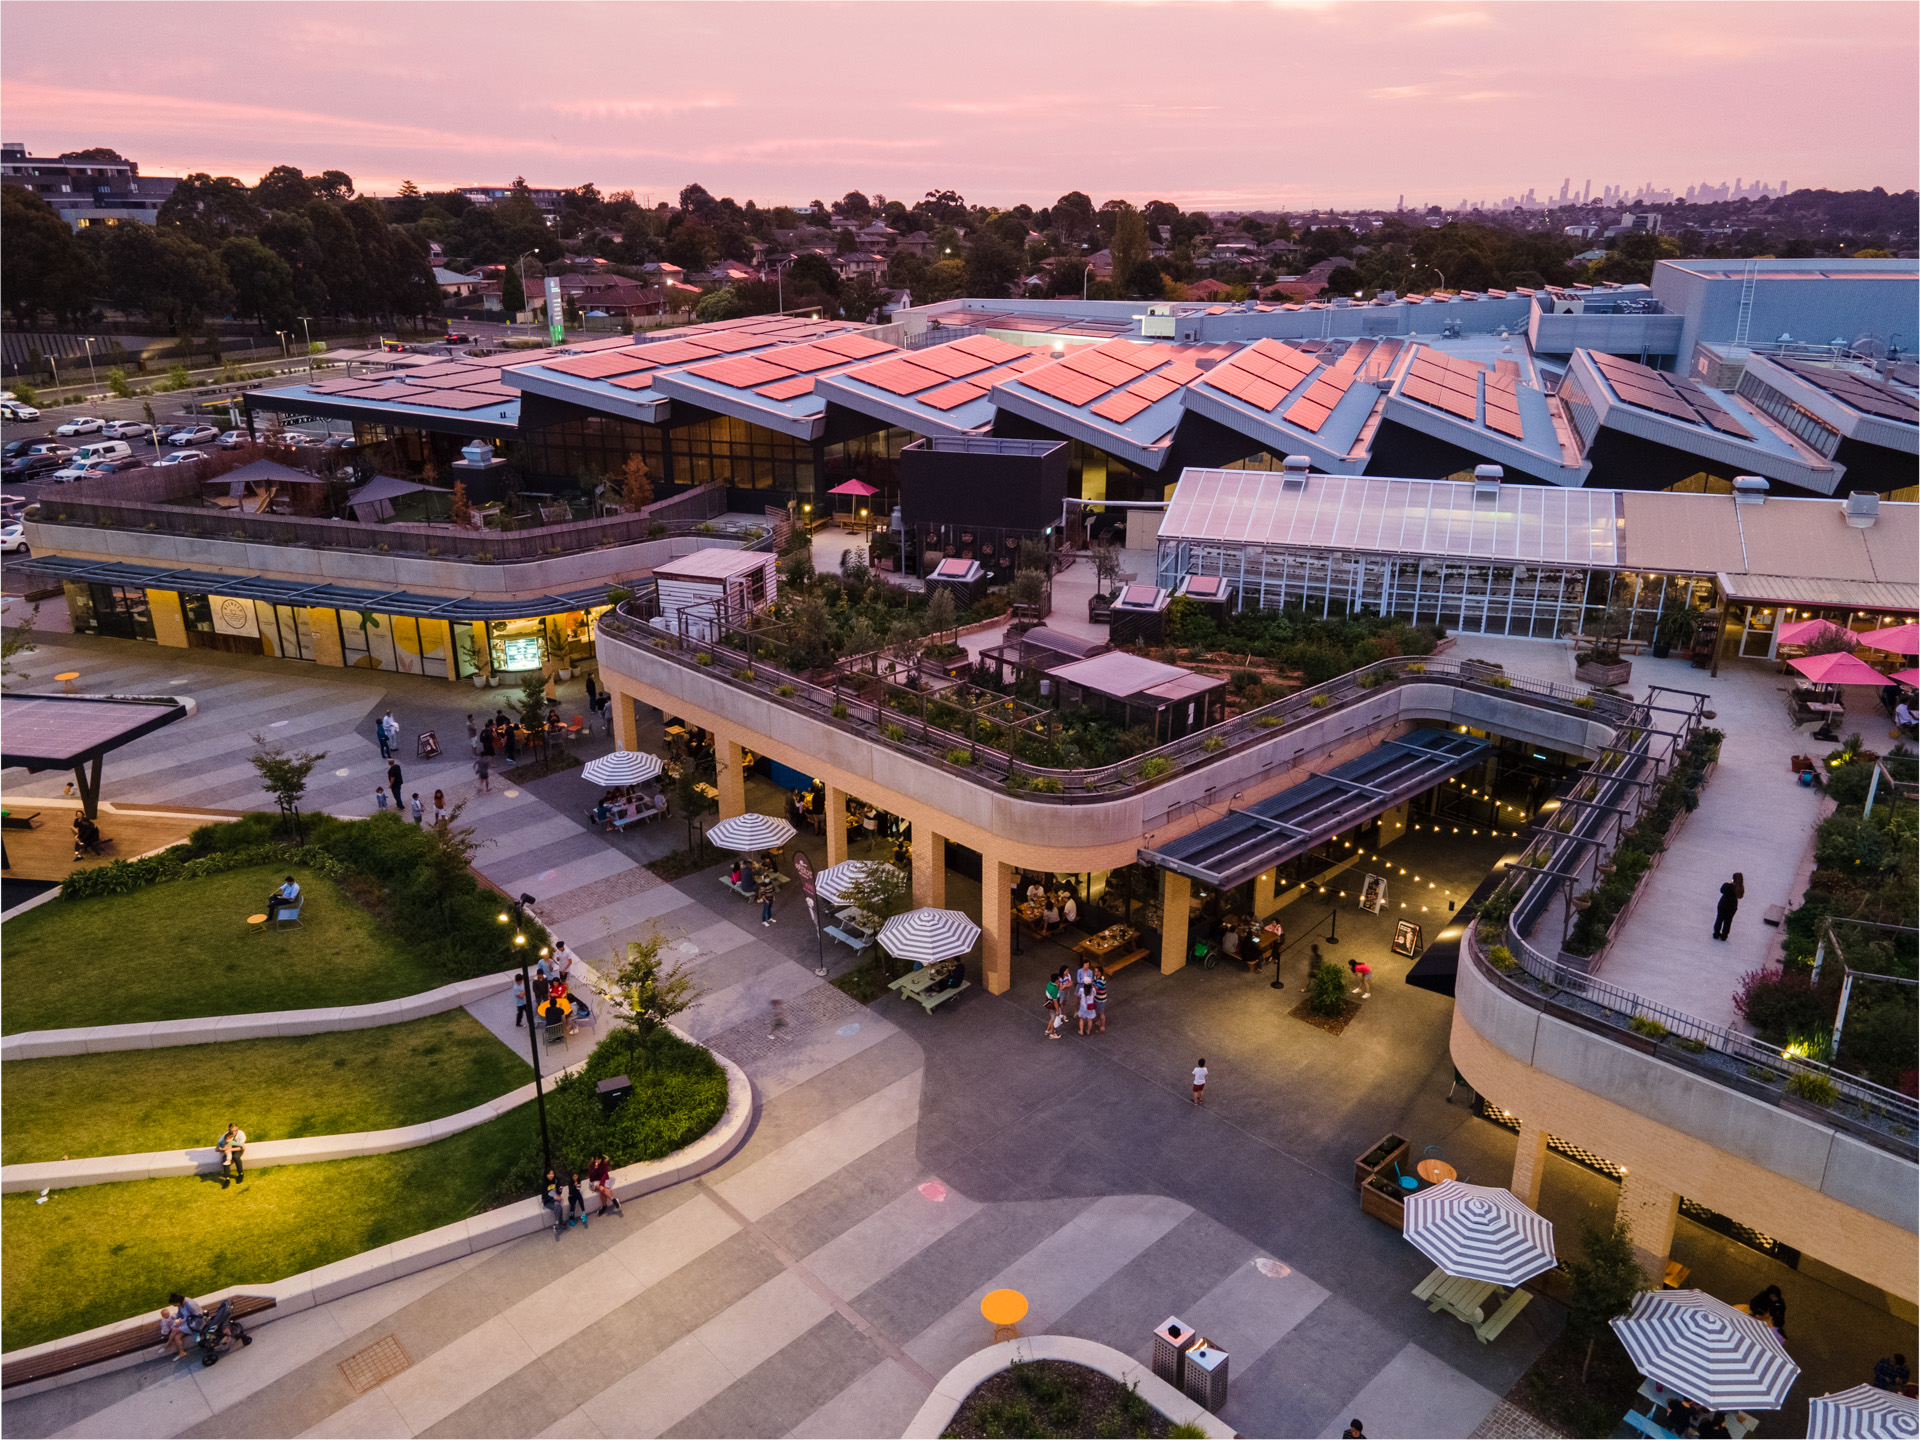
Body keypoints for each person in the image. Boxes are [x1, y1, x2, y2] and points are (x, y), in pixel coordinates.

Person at [1712, 872, 1744, 941]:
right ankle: (1724, 935)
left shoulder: (1727, 886)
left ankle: (1716, 933)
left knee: (1719, 919)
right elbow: (1740, 896)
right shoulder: (1740, 889)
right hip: (1732, 907)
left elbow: (1722, 890)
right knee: (1728, 921)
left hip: (1723, 905)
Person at [1093, 966, 1109, 1033]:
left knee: (1101, 1012)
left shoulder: (1101, 980)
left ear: (1099, 972)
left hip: (1101, 999)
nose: (1094, 972)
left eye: (1096, 971)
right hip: (1096, 997)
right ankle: (1098, 1021)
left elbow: (1095, 988)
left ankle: (1103, 1026)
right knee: (1098, 1010)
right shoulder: (1095, 977)